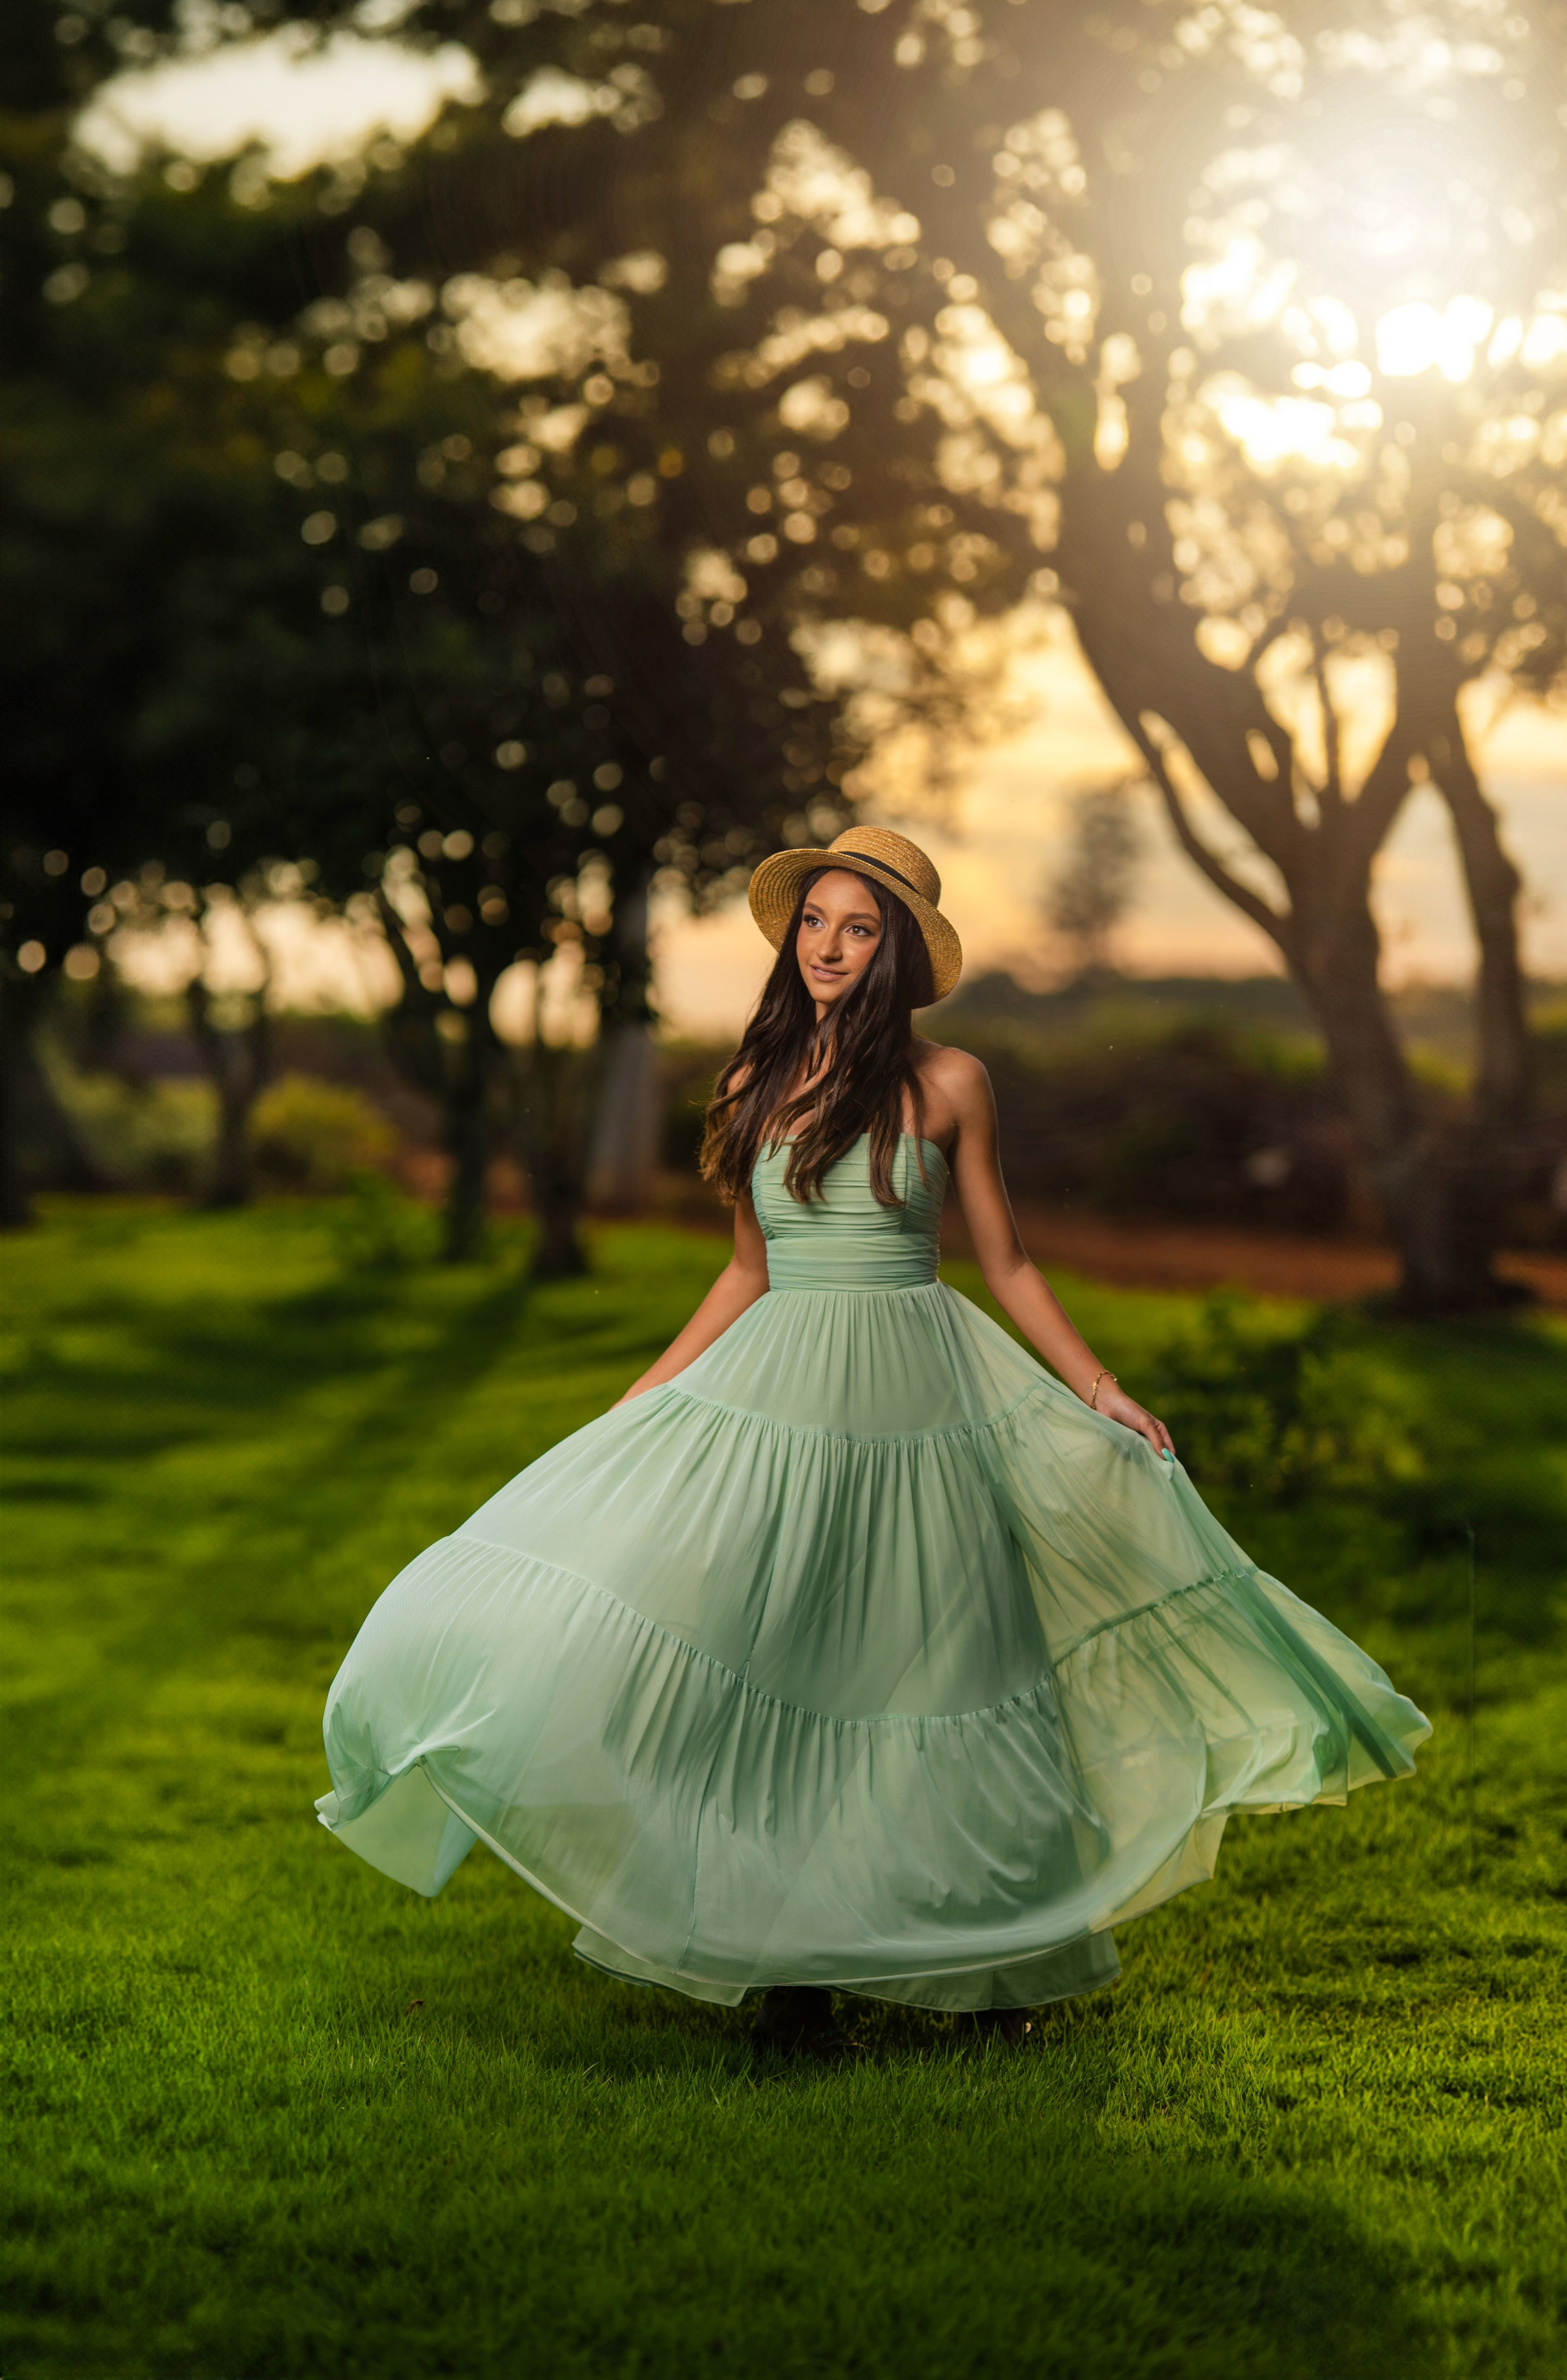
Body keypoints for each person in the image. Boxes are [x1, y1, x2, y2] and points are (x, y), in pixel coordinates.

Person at [317, 826, 1429, 2058]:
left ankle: (992, 1976)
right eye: (815, 922)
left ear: (895, 951)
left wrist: (1101, 1385)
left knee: (955, 1670)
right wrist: (647, 1394)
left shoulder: (952, 1083)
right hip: (784, 1396)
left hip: (923, 1399)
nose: (830, 947)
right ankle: (790, 1986)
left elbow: (1008, 1260)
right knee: (783, 1670)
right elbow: (748, 1270)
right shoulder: (755, 1078)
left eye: (859, 929)